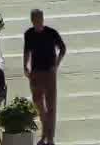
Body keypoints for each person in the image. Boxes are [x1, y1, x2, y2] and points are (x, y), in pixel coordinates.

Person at [22, 9, 66, 145]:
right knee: (38, 103)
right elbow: (27, 51)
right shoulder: (29, 34)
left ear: (42, 19)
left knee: (51, 105)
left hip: (49, 72)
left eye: (39, 18)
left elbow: (63, 48)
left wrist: (56, 65)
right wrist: (25, 66)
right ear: (32, 20)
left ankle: (49, 138)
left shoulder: (51, 33)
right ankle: (45, 133)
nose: (37, 21)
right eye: (34, 19)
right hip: (35, 72)